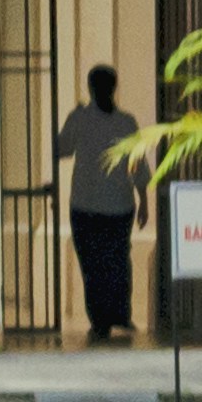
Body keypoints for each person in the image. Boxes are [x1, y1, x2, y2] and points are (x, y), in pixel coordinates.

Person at [54, 66, 149, 347]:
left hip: (85, 205)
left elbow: (61, 149)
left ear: (90, 88)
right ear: (114, 87)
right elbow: (139, 165)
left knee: (93, 266)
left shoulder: (81, 119)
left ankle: (100, 320)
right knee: (118, 261)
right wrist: (144, 201)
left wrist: (73, 116)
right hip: (119, 205)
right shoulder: (126, 122)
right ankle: (119, 314)